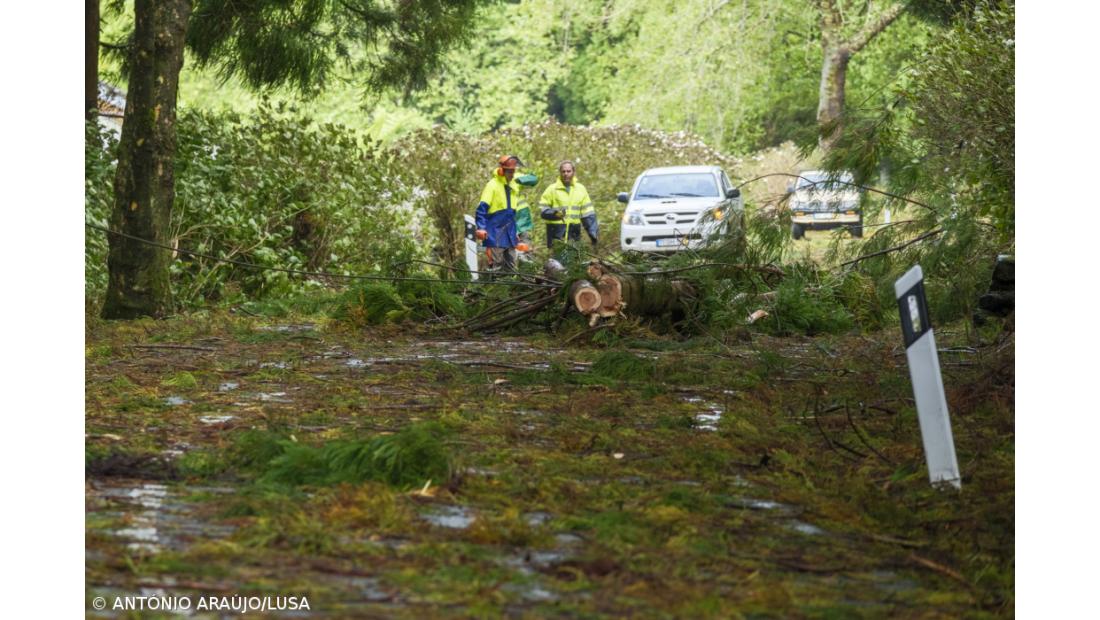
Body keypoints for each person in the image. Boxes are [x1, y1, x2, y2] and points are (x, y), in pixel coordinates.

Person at [475, 155, 524, 274]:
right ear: (502, 170)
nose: (512, 174)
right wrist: (481, 227)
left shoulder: (513, 186)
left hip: (510, 233)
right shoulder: (492, 185)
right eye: (509, 171)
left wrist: (515, 231)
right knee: (497, 266)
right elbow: (481, 209)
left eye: (513, 171)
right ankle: (494, 284)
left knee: (512, 266)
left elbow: (511, 214)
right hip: (494, 233)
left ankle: (511, 285)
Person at [539, 160, 598, 249]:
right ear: (560, 173)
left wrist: (593, 233)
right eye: (563, 171)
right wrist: (555, 214)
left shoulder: (581, 189)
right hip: (556, 234)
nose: (566, 174)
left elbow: (588, 214)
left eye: (568, 171)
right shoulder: (551, 189)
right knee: (557, 258)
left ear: (573, 172)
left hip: (574, 234)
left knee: (573, 257)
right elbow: (543, 211)